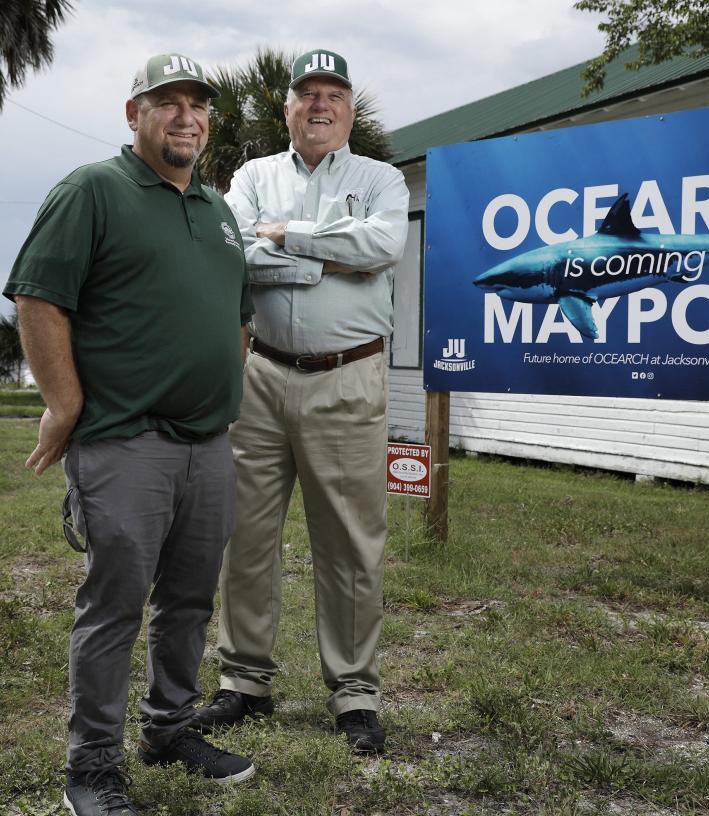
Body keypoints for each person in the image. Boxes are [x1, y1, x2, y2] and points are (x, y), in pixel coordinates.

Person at [4, 52, 256, 816]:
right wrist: (66, 402)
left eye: (198, 105)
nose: (186, 117)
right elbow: (40, 300)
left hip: (207, 444)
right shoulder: (94, 191)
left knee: (188, 601)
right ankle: (91, 763)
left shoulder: (215, 207)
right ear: (133, 113)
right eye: (168, 102)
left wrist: (218, 379)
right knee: (115, 604)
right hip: (124, 442)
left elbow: (236, 316)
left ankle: (169, 728)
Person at [194, 49, 409, 754]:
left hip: (348, 376)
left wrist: (285, 234)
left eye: (333, 95)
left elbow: (384, 244)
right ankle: (244, 681)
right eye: (306, 94)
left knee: (349, 542)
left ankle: (353, 694)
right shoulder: (253, 175)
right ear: (284, 108)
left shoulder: (379, 178)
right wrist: (327, 259)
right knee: (245, 533)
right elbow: (232, 252)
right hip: (260, 374)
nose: (319, 105)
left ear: (349, 110)